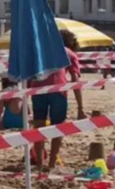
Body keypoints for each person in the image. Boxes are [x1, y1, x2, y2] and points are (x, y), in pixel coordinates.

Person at [29, 29, 86, 170]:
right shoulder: (69, 53)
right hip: (58, 90)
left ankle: (40, 163)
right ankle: (52, 163)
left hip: (38, 89)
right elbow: (75, 80)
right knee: (58, 127)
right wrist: (80, 107)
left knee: (39, 127)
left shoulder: (42, 50)